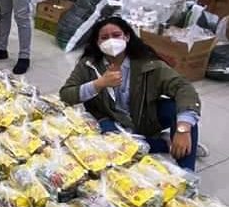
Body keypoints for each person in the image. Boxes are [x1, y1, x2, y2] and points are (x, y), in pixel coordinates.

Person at [59, 17, 204, 171]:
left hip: (145, 116)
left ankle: (187, 174)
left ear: (127, 37)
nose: (111, 41)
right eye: (104, 37)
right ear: (97, 42)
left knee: (182, 113)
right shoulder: (89, 64)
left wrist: (183, 130)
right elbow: (66, 94)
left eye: (116, 35)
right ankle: (164, 144)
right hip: (110, 119)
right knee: (109, 147)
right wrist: (99, 84)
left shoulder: (147, 63)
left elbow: (184, 88)